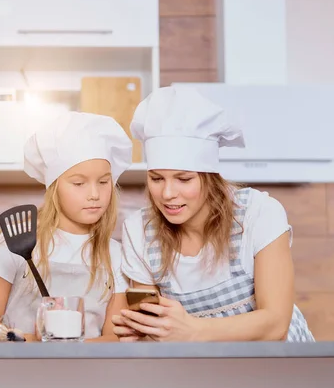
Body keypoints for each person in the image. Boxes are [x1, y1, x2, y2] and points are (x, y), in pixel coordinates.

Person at [112, 85, 315, 342]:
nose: (167, 193)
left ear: (209, 178)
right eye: (156, 178)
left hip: (282, 367)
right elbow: (156, 330)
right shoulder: (139, 231)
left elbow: (275, 325)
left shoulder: (258, 213)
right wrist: (142, 336)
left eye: (184, 179)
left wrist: (192, 330)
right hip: (202, 373)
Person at [0, 111, 132, 341]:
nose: (94, 194)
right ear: (54, 187)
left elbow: (115, 340)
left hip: (89, 373)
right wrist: (36, 341)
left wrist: (67, 342)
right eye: (79, 183)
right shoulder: (17, 242)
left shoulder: (115, 255)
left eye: (103, 181)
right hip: (15, 371)